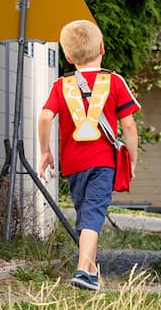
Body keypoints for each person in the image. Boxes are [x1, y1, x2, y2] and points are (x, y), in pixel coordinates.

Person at [37, 19, 140, 291]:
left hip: (73, 163)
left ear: (68, 57)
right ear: (102, 48)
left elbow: (45, 116)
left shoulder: (62, 85)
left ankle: (90, 272)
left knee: (86, 213)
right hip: (103, 162)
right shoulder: (114, 81)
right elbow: (128, 125)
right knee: (93, 214)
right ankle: (84, 269)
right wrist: (132, 159)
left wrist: (45, 151)